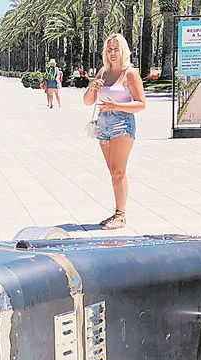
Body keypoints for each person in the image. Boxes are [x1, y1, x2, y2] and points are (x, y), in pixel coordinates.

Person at [83, 34, 146, 230]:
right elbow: (87, 101)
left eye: (116, 49)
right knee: (113, 172)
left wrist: (116, 105)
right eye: (109, 49)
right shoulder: (102, 72)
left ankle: (121, 215)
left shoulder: (130, 74)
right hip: (103, 125)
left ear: (123, 51)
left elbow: (141, 104)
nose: (112, 53)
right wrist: (93, 88)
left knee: (119, 172)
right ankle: (117, 212)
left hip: (122, 124)